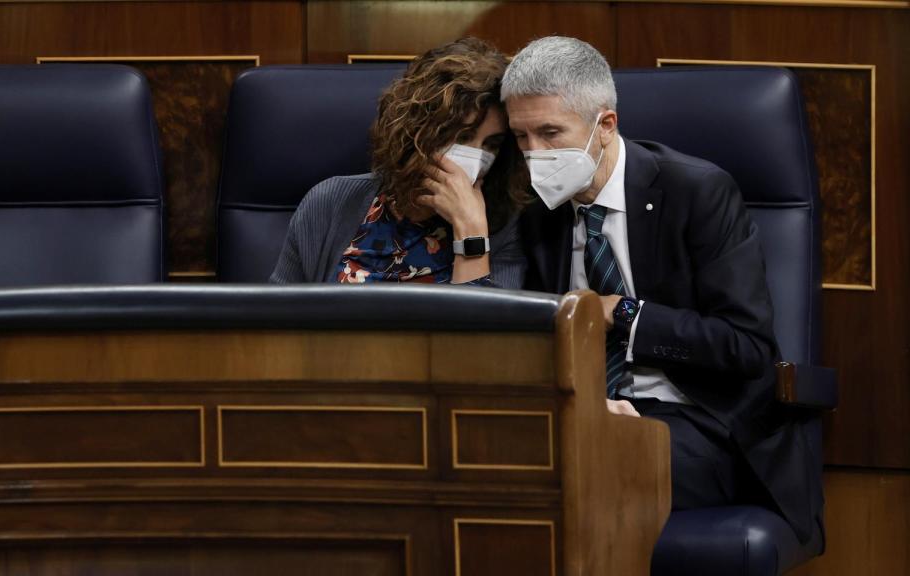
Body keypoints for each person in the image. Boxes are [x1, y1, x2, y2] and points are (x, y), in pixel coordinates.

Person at [502, 36, 822, 544]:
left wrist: (625, 315)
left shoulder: (696, 191)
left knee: (592, 463)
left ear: (605, 126)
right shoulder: (538, 211)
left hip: (699, 420)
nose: (534, 155)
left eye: (550, 133)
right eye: (521, 138)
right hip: (584, 415)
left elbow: (745, 347)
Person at [270, 37, 529, 287]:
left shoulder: (503, 226)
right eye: (462, 136)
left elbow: (482, 329)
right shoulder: (330, 202)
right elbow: (275, 319)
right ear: (417, 131)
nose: (475, 157)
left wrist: (471, 231)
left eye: (491, 144)